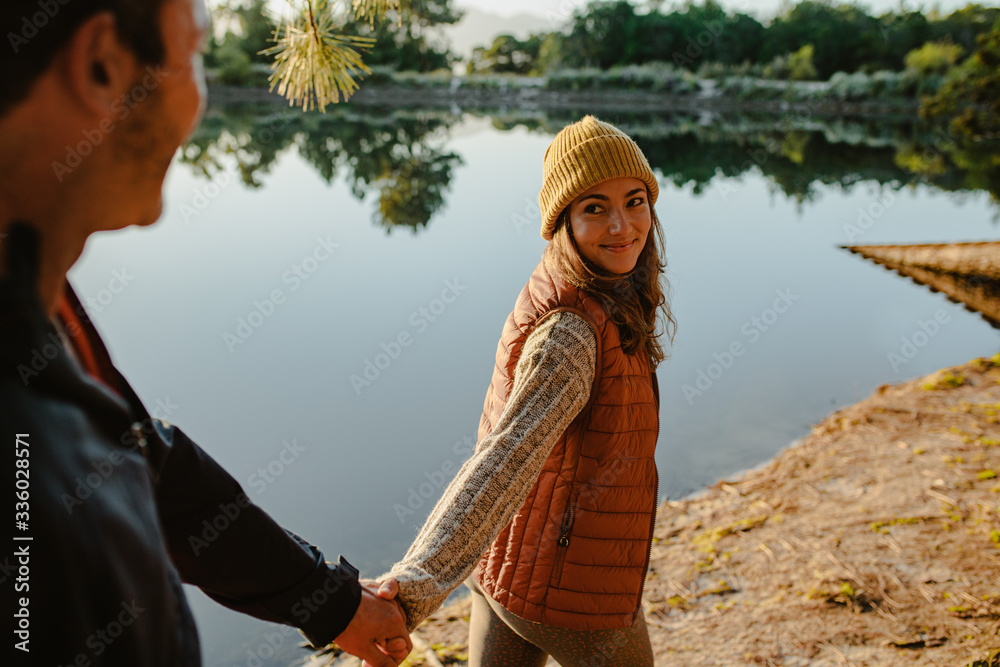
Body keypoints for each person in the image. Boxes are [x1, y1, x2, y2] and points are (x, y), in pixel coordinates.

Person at [0, 1, 410, 665]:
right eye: (192, 55)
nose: (200, 102)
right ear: (104, 66)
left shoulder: (35, 296)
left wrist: (327, 600)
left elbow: (144, 462)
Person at [379, 115, 677, 665]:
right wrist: (417, 584)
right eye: (594, 208)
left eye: (635, 201)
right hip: (568, 587)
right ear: (561, 219)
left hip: (507, 561)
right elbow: (504, 458)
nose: (622, 225)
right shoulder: (569, 332)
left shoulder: (587, 285)